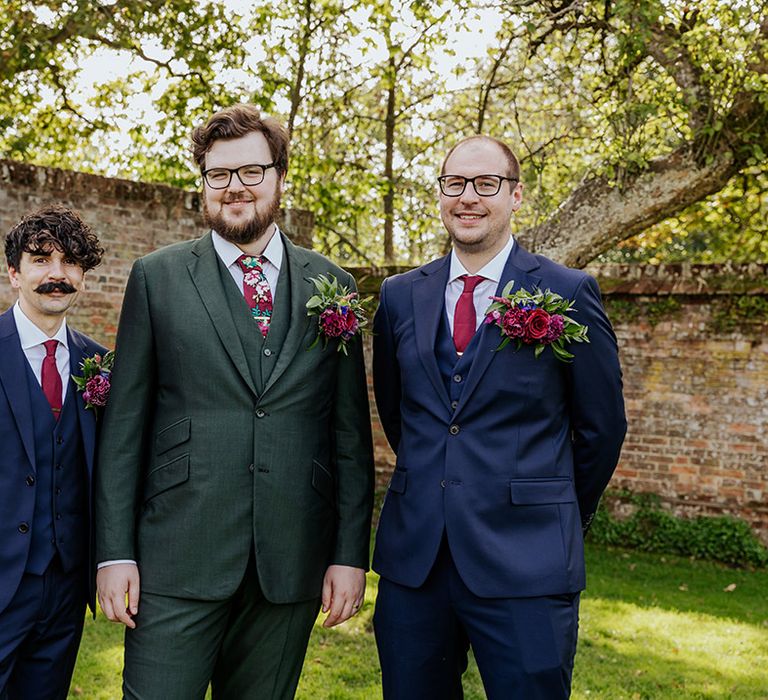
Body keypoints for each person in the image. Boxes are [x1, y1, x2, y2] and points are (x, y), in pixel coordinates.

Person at [94, 104, 374, 699]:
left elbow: (348, 434)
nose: (235, 188)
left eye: (251, 171)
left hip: (291, 559)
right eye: (218, 175)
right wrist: (113, 553)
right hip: (177, 553)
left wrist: (350, 555)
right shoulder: (157, 277)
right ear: (204, 184)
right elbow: (125, 427)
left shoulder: (333, 286)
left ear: (278, 176)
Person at [372, 135, 627, 699]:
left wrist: (551, 507)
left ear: (515, 196)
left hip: (527, 560)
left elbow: (602, 428)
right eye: (455, 184)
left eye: (486, 184)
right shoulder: (397, 297)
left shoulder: (567, 291)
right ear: (440, 193)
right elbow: (400, 415)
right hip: (416, 565)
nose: (468, 197)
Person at [0, 206, 106, 699]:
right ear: (14, 272)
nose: (56, 275)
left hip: (65, 588)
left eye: (70, 262)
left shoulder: (99, 364)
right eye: (41, 260)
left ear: (83, 276)